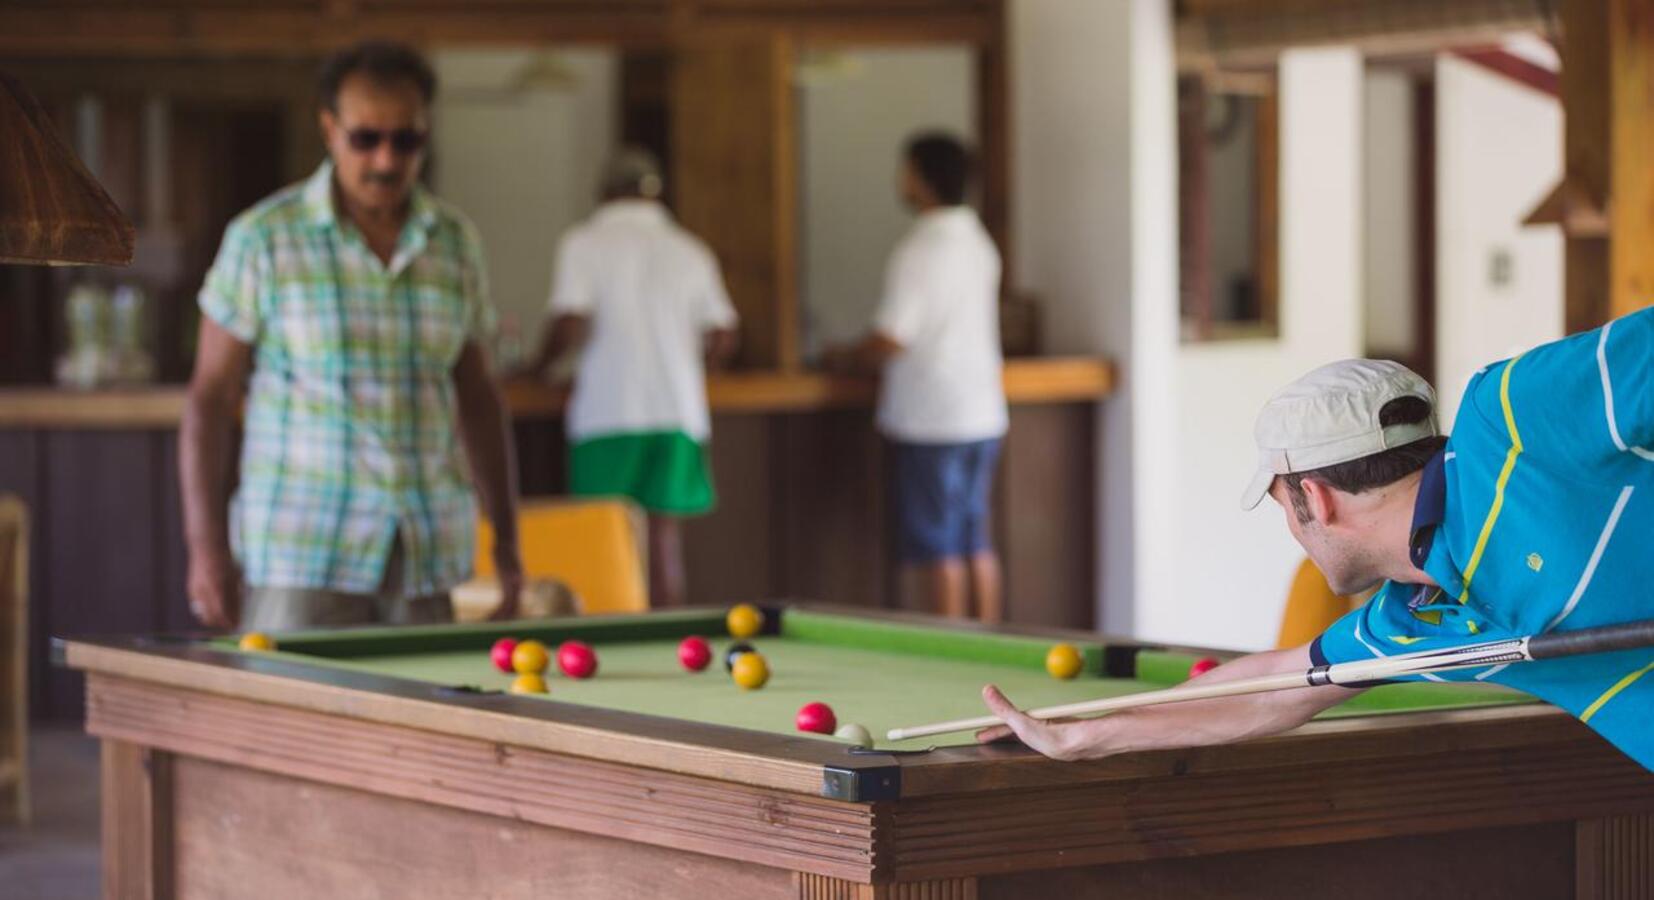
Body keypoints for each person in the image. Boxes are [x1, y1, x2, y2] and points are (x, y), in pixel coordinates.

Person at [978, 307, 1654, 770]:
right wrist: (1086, 735)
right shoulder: (1417, 621)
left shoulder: (1510, 417)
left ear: (1316, 499)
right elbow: (1277, 684)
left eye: (1279, 504)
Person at [181, 41, 523, 632]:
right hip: (301, 556)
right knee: (288, 726)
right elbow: (209, 399)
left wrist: (508, 543)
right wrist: (205, 551)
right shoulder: (264, 238)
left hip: (425, 555)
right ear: (329, 128)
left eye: (407, 139)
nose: (387, 160)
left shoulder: (455, 242)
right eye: (366, 138)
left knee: (428, 726)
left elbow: (477, 395)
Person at [515, 148, 738, 607]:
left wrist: (535, 369)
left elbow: (571, 323)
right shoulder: (690, 249)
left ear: (605, 192)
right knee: (663, 538)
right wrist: (691, 366)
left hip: (609, 410)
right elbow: (723, 334)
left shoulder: (584, 242)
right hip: (677, 411)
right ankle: (673, 645)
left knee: (609, 539)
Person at [826, 133, 1007, 622]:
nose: (899, 181)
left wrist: (843, 357)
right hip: (982, 410)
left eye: (905, 170)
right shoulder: (979, 241)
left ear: (924, 178)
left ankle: (953, 650)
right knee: (976, 541)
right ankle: (993, 642)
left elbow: (893, 337)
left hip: (933, 416)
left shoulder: (922, 249)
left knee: (937, 547)